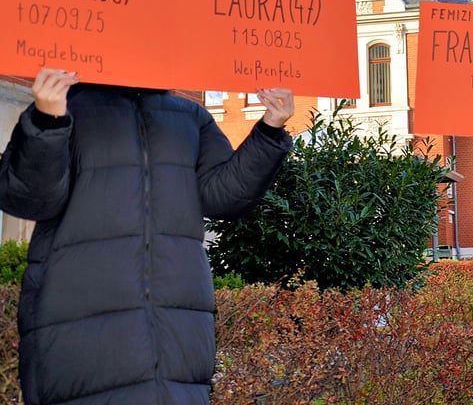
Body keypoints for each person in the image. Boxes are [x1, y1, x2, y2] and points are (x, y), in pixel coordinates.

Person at [0, 68, 295, 405]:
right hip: (80, 332)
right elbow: (30, 199)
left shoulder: (190, 116)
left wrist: (270, 129)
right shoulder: (63, 107)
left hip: (175, 333)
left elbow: (223, 198)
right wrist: (49, 121)